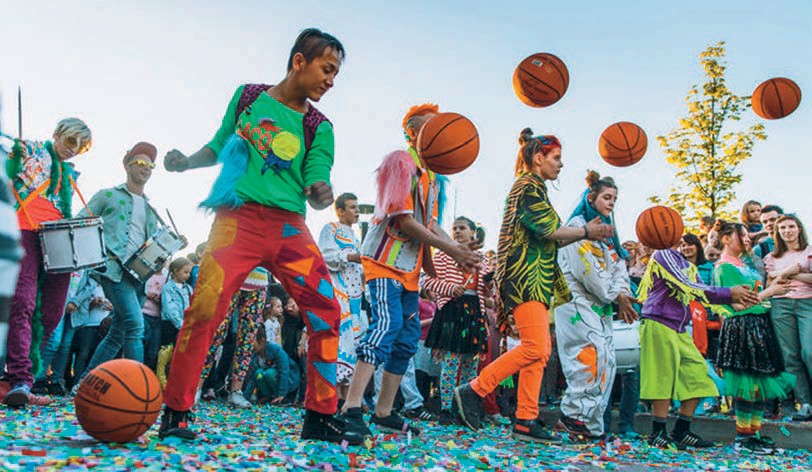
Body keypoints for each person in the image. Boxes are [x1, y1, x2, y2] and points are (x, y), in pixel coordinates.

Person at [158, 28, 355, 444]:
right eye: (327, 69)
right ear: (299, 61)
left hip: (289, 229)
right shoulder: (248, 97)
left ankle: (320, 417)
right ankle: (176, 411)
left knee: (326, 311)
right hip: (237, 222)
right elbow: (218, 145)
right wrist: (186, 162)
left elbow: (317, 177)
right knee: (205, 307)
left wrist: (320, 193)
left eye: (336, 74)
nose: (331, 81)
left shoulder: (319, 126)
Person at [454, 128, 613, 443]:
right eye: (556, 158)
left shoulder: (533, 185)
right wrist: (586, 232)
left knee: (539, 352)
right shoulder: (528, 186)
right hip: (525, 276)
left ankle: (526, 419)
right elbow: (549, 231)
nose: (561, 165)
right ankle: (474, 390)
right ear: (539, 158)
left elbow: (550, 235)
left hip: (536, 278)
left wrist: (584, 232)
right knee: (536, 347)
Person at [339, 103, 480, 438]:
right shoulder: (400, 162)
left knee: (406, 340)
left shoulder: (432, 179)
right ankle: (350, 408)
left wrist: (457, 250)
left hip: (409, 271)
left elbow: (430, 224)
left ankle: (384, 412)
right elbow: (403, 220)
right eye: (433, 126)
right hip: (384, 263)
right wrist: (452, 249)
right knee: (385, 327)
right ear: (415, 133)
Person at [634, 237, 759, 449]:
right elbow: (687, 285)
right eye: (682, 242)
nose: (684, 245)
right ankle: (657, 433)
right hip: (658, 322)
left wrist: (735, 300)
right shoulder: (663, 254)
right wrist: (729, 293)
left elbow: (701, 292)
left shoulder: (687, 264)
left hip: (680, 327)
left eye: (688, 242)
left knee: (699, 375)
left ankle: (681, 430)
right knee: (662, 377)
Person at [4, 118, 92, 407]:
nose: (74, 149)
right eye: (71, 141)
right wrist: (17, 156)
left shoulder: (69, 174)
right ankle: (20, 379)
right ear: (56, 134)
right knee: (23, 302)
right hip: (24, 230)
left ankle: (17, 378)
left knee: (52, 314)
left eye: (82, 146)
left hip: (58, 241)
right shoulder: (32, 151)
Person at [72, 142, 173, 389]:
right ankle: (137, 387)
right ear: (127, 166)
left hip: (139, 277)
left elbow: (152, 246)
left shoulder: (150, 208)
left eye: (150, 165)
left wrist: (170, 245)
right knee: (135, 325)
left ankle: (84, 383)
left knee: (117, 334)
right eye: (140, 162)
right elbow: (79, 223)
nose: (146, 168)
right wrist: (98, 255)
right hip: (113, 271)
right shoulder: (107, 195)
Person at [554, 170, 635, 440]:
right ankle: (572, 417)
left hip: (601, 306)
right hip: (576, 304)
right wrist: (616, 295)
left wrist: (622, 292)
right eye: (607, 197)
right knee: (588, 358)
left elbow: (619, 265)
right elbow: (587, 271)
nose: (611, 203)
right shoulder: (577, 227)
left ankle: (591, 425)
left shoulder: (609, 234)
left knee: (607, 361)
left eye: (614, 199)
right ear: (591, 198)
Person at [713, 220, 795, 454]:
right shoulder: (724, 267)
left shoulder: (744, 265)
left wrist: (773, 286)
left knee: (758, 386)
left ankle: (754, 434)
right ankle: (743, 438)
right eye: (743, 235)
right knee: (746, 385)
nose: (748, 239)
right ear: (726, 238)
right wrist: (771, 291)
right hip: (742, 327)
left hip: (758, 325)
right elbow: (738, 306)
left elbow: (756, 294)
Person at [422, 216, 491, 423]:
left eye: (462, 228)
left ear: (473, 232)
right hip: (453, 309)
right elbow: (428, 281)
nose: (458, 231)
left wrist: (490, 284)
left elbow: (487, 290)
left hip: (475, 311)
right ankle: (445, 408)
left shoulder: (481, 258)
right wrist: (450, 288)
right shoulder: (443, 254)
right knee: (451, 361)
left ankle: (465, 408)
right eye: (454, 228)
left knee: (471, 362)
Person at [199, 267, 269, 408]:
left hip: (258, 280)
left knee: (247, 338)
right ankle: (197, 386)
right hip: (230, 274)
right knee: (215, 333)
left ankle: (236, 391)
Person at [764, 214, 812, 421]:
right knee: (790, 356)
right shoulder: (771, 257)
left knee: (809, 352)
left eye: (791, 226)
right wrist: (790, 271)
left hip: (807, 303)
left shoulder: (809, 251)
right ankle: (806, 404)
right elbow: (770, 284)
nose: (787, 231)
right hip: (781, 305)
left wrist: (787, 273)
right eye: (782, 228)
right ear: (777, 233)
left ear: (799, 228)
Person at [318, 192, 365, 401]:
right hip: (338, 292)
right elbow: (325, 256)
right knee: (339, 341)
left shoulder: (356, 237)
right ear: (340, 211)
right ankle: (333, 397)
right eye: (352, 207)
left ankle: (347, 398)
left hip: (355, 297)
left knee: (352, 343)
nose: (357, 211)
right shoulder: (330, 229)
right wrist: (353, 257)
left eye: (357, 207)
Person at [244, 328, 300, 404]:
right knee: (258, 373)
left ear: (262, 340)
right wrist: (245, 397)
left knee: (269, 373)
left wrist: (282, 394)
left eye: (252, 341)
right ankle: (269, 396)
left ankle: (281, 397)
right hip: (271, 383)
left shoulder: (275, 350)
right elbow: (252, 378)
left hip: (288, 381)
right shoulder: (255, 356)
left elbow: (284, 371)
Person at [143, 263, 169, 371]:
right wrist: (147, 294)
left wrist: (162, 300)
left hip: (158, 317)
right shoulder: (146, 274)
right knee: (142, 343)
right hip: (144, 313)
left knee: (153, 351)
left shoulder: (166, 278)